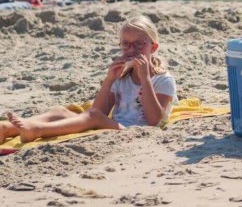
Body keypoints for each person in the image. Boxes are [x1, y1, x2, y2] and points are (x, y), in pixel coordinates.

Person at [0, 15, 176, 144]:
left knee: (93, 118)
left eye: (139, 44)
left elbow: (155, 121)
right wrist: (109, 80)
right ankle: (7, 128)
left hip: (135, 130)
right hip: (115, 124)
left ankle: (36, 130)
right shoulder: (122, 76)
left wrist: (145, 78)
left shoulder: (163, 80)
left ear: (153, 47)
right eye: (125, 44)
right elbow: (99, 110)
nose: (131, 49)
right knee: (61, 112)